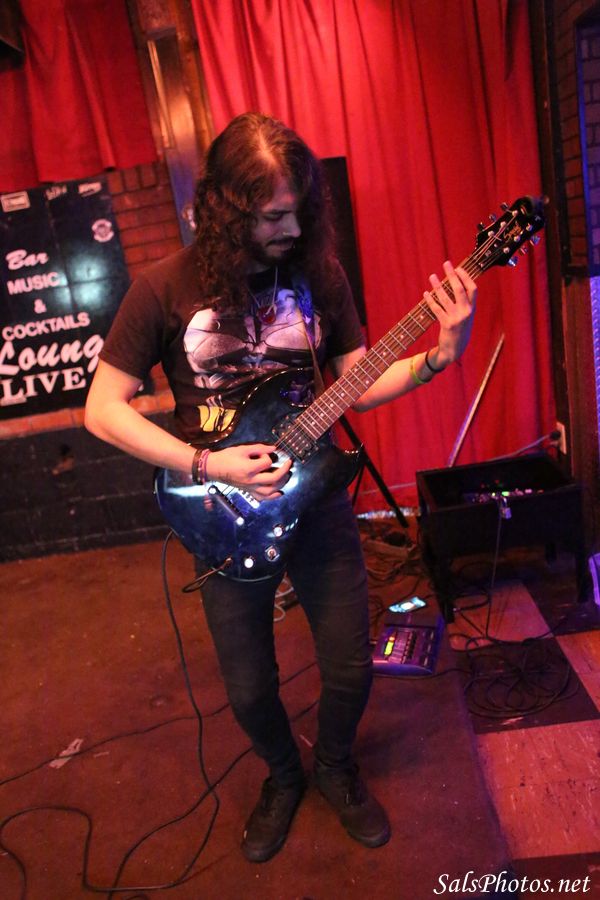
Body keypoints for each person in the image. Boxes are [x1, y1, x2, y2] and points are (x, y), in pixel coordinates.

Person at [85, 112, 476, 863]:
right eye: (271, 216)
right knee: (248, 688)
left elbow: (358, 385)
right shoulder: (162, 289)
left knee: (351, 664)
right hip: (224, 511)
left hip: (317, 500)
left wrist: (439, 354)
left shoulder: (317, 275)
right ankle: (283, 775)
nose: (291, 228)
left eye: (299, 210)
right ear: (224, 207)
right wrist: (208, 464)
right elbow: (101, 411)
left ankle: (334, 765)